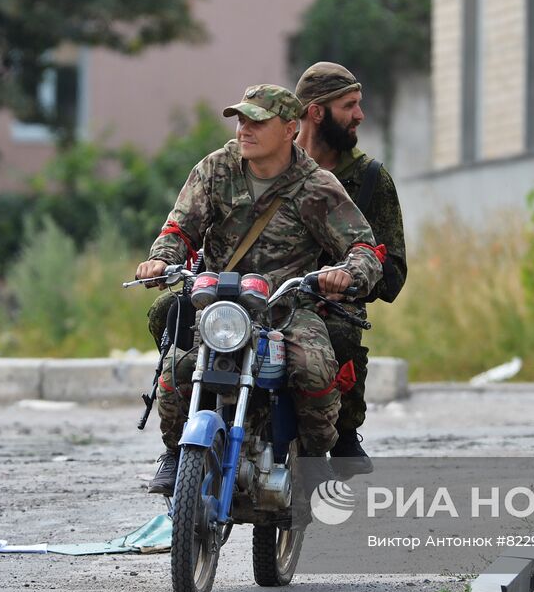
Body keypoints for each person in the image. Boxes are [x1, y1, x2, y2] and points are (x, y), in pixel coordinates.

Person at [134, 84, 385, 495]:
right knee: (177, 368)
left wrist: (348, 273)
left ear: (290, 129)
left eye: (257, 122)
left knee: (313, 368)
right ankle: (177, 453)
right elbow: (179, 228)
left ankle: (311, 458)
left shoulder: (316, 186)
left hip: (286, 307)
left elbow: (362, 246)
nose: (243, 130)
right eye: (241, 120)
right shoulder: (215, 170)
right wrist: (162, 259)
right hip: (220, 304)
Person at [293, 62, 407, 471]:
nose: (360, 115)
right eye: (350, 105)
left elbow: (392, 270)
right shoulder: (269, 164)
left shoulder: (370, 179)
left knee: (340, 333)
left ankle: (341, 431)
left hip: (332, 308)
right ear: (316, 111)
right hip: (266, 297)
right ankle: (185, 446)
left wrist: (350, 281)